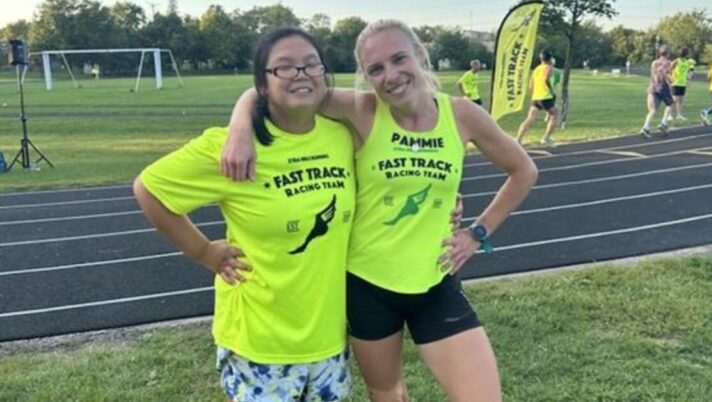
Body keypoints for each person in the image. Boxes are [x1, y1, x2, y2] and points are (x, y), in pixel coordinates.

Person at [221, 19, 538, 402]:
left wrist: (476, 233)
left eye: (399, 58)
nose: (390, 75)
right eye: (376, 69)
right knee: (388, 394)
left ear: (420, 55)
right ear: (367, 77)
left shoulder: (462, 115)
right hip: (367, 287)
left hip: (434, 283)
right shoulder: (361, 110)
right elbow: (279, 88)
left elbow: (523, 170)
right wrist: (239, 126)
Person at [133, 28, 357, 401]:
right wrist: (204, 251)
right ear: (263, 84)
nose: (300, 74)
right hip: (260, 341)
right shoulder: (230, 146)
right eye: (284, 68)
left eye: (310, 64)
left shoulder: (343, 135)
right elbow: (150, 188)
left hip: (328, 338)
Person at [516, 49, 559, 148]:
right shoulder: (549, 67)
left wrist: (536, 92)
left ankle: (518, 139)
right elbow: (547, 79)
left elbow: (531, 85)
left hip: (536, 98)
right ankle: (546, 137)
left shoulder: (536, 69)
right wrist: (551, 90)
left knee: (529, 118)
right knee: (555, 115)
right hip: (546, 97)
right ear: (550, 59)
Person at [640, 45, 673, 138]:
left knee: (653, 109)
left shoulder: (654, 63)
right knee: (670, 104)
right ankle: (664, 122)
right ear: (668, 53)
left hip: (652, 86)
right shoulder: (668, 63)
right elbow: (666, 73)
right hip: (663, 86)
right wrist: (671, 80)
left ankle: (646, 126)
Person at [670, 48, 696, 120]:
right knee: (674, 99)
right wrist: (671, 78)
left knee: (681, 100)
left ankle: (679, 115)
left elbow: (690, 71)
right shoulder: (676, 61)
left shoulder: (687, 62)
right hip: (676, 82)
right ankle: (670, 115)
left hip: (683, 83)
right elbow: (669, 70)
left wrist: (689, 78)